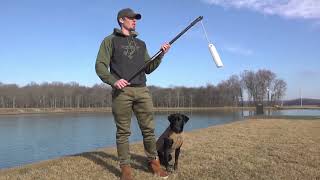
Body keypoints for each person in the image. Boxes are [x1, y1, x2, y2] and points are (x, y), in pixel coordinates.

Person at [95, 8, 170, 180]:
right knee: (123, 132)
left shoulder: (141, 44)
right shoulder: (110, 41)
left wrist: (161, 55)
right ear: (121, 20)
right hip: (122, 92)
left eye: (136, 18)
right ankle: (125, 168)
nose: (134, 21)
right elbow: (100, 65)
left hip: (142, 90)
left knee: (149, 130)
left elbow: (149, 68)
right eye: (131, 18)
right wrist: (113, 81)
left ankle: (154, 163)